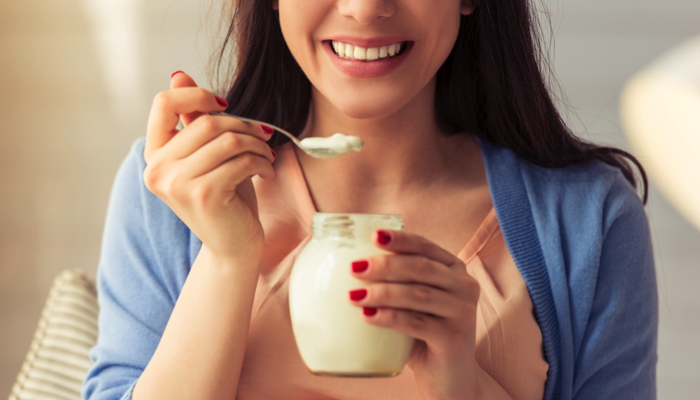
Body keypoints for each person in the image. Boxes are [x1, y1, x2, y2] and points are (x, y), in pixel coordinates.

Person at [82, 0, 658, 399]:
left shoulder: (592, 221)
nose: (365, 8)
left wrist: (463, 387)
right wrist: (229, 258)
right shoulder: (175, 185)